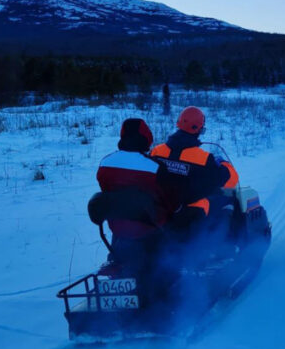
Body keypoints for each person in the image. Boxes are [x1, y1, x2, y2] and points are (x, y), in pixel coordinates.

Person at [95, 118, 170, 277]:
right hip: (150, 228)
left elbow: (107, 190)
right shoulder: (154, 167)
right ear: (146, 138)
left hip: (119, 228)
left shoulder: (105, 164)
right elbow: (166, 197)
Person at [150, 106, 239, 233]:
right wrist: (224, 163)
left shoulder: (157, 151)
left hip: (161, 208)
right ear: (199, 129)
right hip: (191, 213)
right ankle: (224, 245)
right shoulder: (204, 159)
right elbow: (232, 179)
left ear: (179, 124)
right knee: (229, 200)